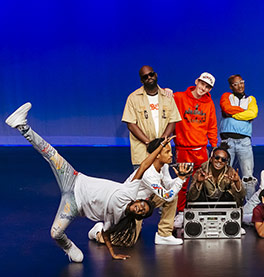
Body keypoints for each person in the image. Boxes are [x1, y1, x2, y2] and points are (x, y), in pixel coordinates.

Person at [5, 102, 158, 262]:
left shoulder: (117, 219)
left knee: (55, 233)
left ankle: (68, 246)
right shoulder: (130, 191)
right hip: (74, 179)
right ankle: (22, 126)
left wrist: (113, 254)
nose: (140, 208)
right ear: (139, 200)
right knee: (51, 154)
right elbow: (145, 166)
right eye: (142, 205)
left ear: (137, 216)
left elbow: (106, 234)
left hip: (74, 203)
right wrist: (159, 147)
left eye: (142, 212)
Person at [87, 138, 194, 246]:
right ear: (157, 155)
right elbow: (167, 195)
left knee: (173, 195)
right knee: (125, 241)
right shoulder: (149, 174)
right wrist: (180, 180)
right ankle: (98, 231)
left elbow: (168, 186)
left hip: (145, 200)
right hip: (131, 206)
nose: (171, 155)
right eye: (167, 152)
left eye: (170, 151)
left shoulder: (163, 165)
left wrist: (182, 177)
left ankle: (164, 235)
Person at [121, 65, 183, 244]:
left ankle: (164, 233)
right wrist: (150, 143)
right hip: (142, 151)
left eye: (151, 74)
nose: (149, 78)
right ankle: (133, 229)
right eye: (145, 76)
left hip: (162, 150)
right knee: (140, 195)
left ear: (156, 75)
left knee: (167, 191)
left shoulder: (167, 96)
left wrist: (162, 143)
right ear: (142, 80)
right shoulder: (134, 98)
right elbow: (131, 124)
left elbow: (173, 120)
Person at [173, 72, 218, 228]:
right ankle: (180, 212)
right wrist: (165, 90)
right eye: (202, 84)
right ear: (196, 81)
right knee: (182, 183)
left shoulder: (209, 104)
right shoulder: (179, 97)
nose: (203, 88)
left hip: (201, 150)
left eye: (207, 87)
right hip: (183, 149)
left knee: (203, 181)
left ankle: (199, 210)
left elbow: (212, 126)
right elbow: (164, 99)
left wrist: (214, 145)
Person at [220, 74, 259, 201]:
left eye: (241, 82)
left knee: (248, 176)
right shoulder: (226, 96)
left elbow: (253, 113)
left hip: (244, 142)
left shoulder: (251, 99)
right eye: (236, 84)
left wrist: (233, 115)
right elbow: (226, 108)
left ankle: (249, 206)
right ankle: (222, 203)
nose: (240, 85)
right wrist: (244, 112)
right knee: (222, 173)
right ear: (231, 86)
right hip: (227, 142)